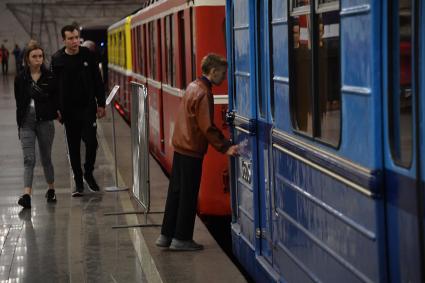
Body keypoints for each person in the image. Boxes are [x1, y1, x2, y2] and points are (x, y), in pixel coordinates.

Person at [156, 53, 238, 251]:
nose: (224, 78)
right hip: (192, 150)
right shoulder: (204, 92)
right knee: (189, 194)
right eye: (223, 74)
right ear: (213, 71)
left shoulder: (193, 86)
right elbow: (207, 126)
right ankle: (182, 238)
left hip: (181, 147)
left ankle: (166, 235)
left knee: (175, 192)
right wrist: (225, 146)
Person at [50, 25, 106, 197]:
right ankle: (79, 181)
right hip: (68, 111)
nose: (74, 41)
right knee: (73, 147)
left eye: (76, 37)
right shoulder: (57, 59)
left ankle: (88, 172)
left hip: (88, 107)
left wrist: (101, 103)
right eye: (70, 38)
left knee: (91, 142)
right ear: (64, 40)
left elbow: (97, 80)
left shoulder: (87, 54)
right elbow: (54, 88)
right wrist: (56, 110)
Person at [14, 42, 60, 209]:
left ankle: (51, 189)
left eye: (40, 56)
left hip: (45, 122)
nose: (38, 59)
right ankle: (27, 195)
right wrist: (20, 123)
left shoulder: (50, 78)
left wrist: (54, 111)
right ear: (27, 59)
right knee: (29, 159)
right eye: (34, 56)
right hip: (26, 122)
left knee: (46, 157)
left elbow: (56, 100)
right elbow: (19, 102)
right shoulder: (20, 78)